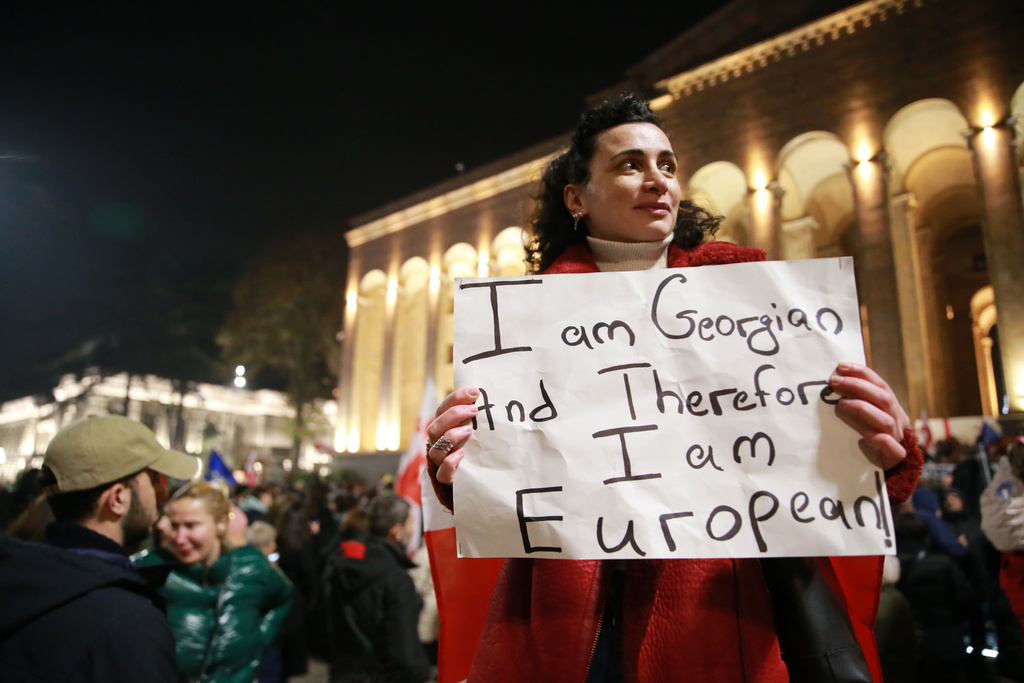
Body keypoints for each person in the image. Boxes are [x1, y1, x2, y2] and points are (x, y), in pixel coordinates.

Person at [425, 94, 924, 683]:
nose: (657, 179)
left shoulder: (755, 296)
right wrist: (459, 464)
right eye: (629, 164)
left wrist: (884, 449)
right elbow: (511, 487)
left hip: (726, 616)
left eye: (667, 164)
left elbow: (819, 462)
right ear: (577, 198)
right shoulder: (524, 322)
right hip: (575, 625)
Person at [0, 414, 201, 682]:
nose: (162, 495)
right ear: (118, 498)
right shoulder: (129, 623)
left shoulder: (17, 579)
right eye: (155, 481)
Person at [136, 480, 293, 683]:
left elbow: (283, 596)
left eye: (191, 525)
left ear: (220, 524)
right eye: (175, 526)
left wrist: (260, 639)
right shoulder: (152, 568)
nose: (180, 537)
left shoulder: (250, 564)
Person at [320, 494, 433, 683]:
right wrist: (421, 673)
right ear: (396, 531)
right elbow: (405, 651)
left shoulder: (340, 564)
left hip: (344, 673)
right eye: (410, 523)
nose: (413, 530)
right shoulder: (396, 579)